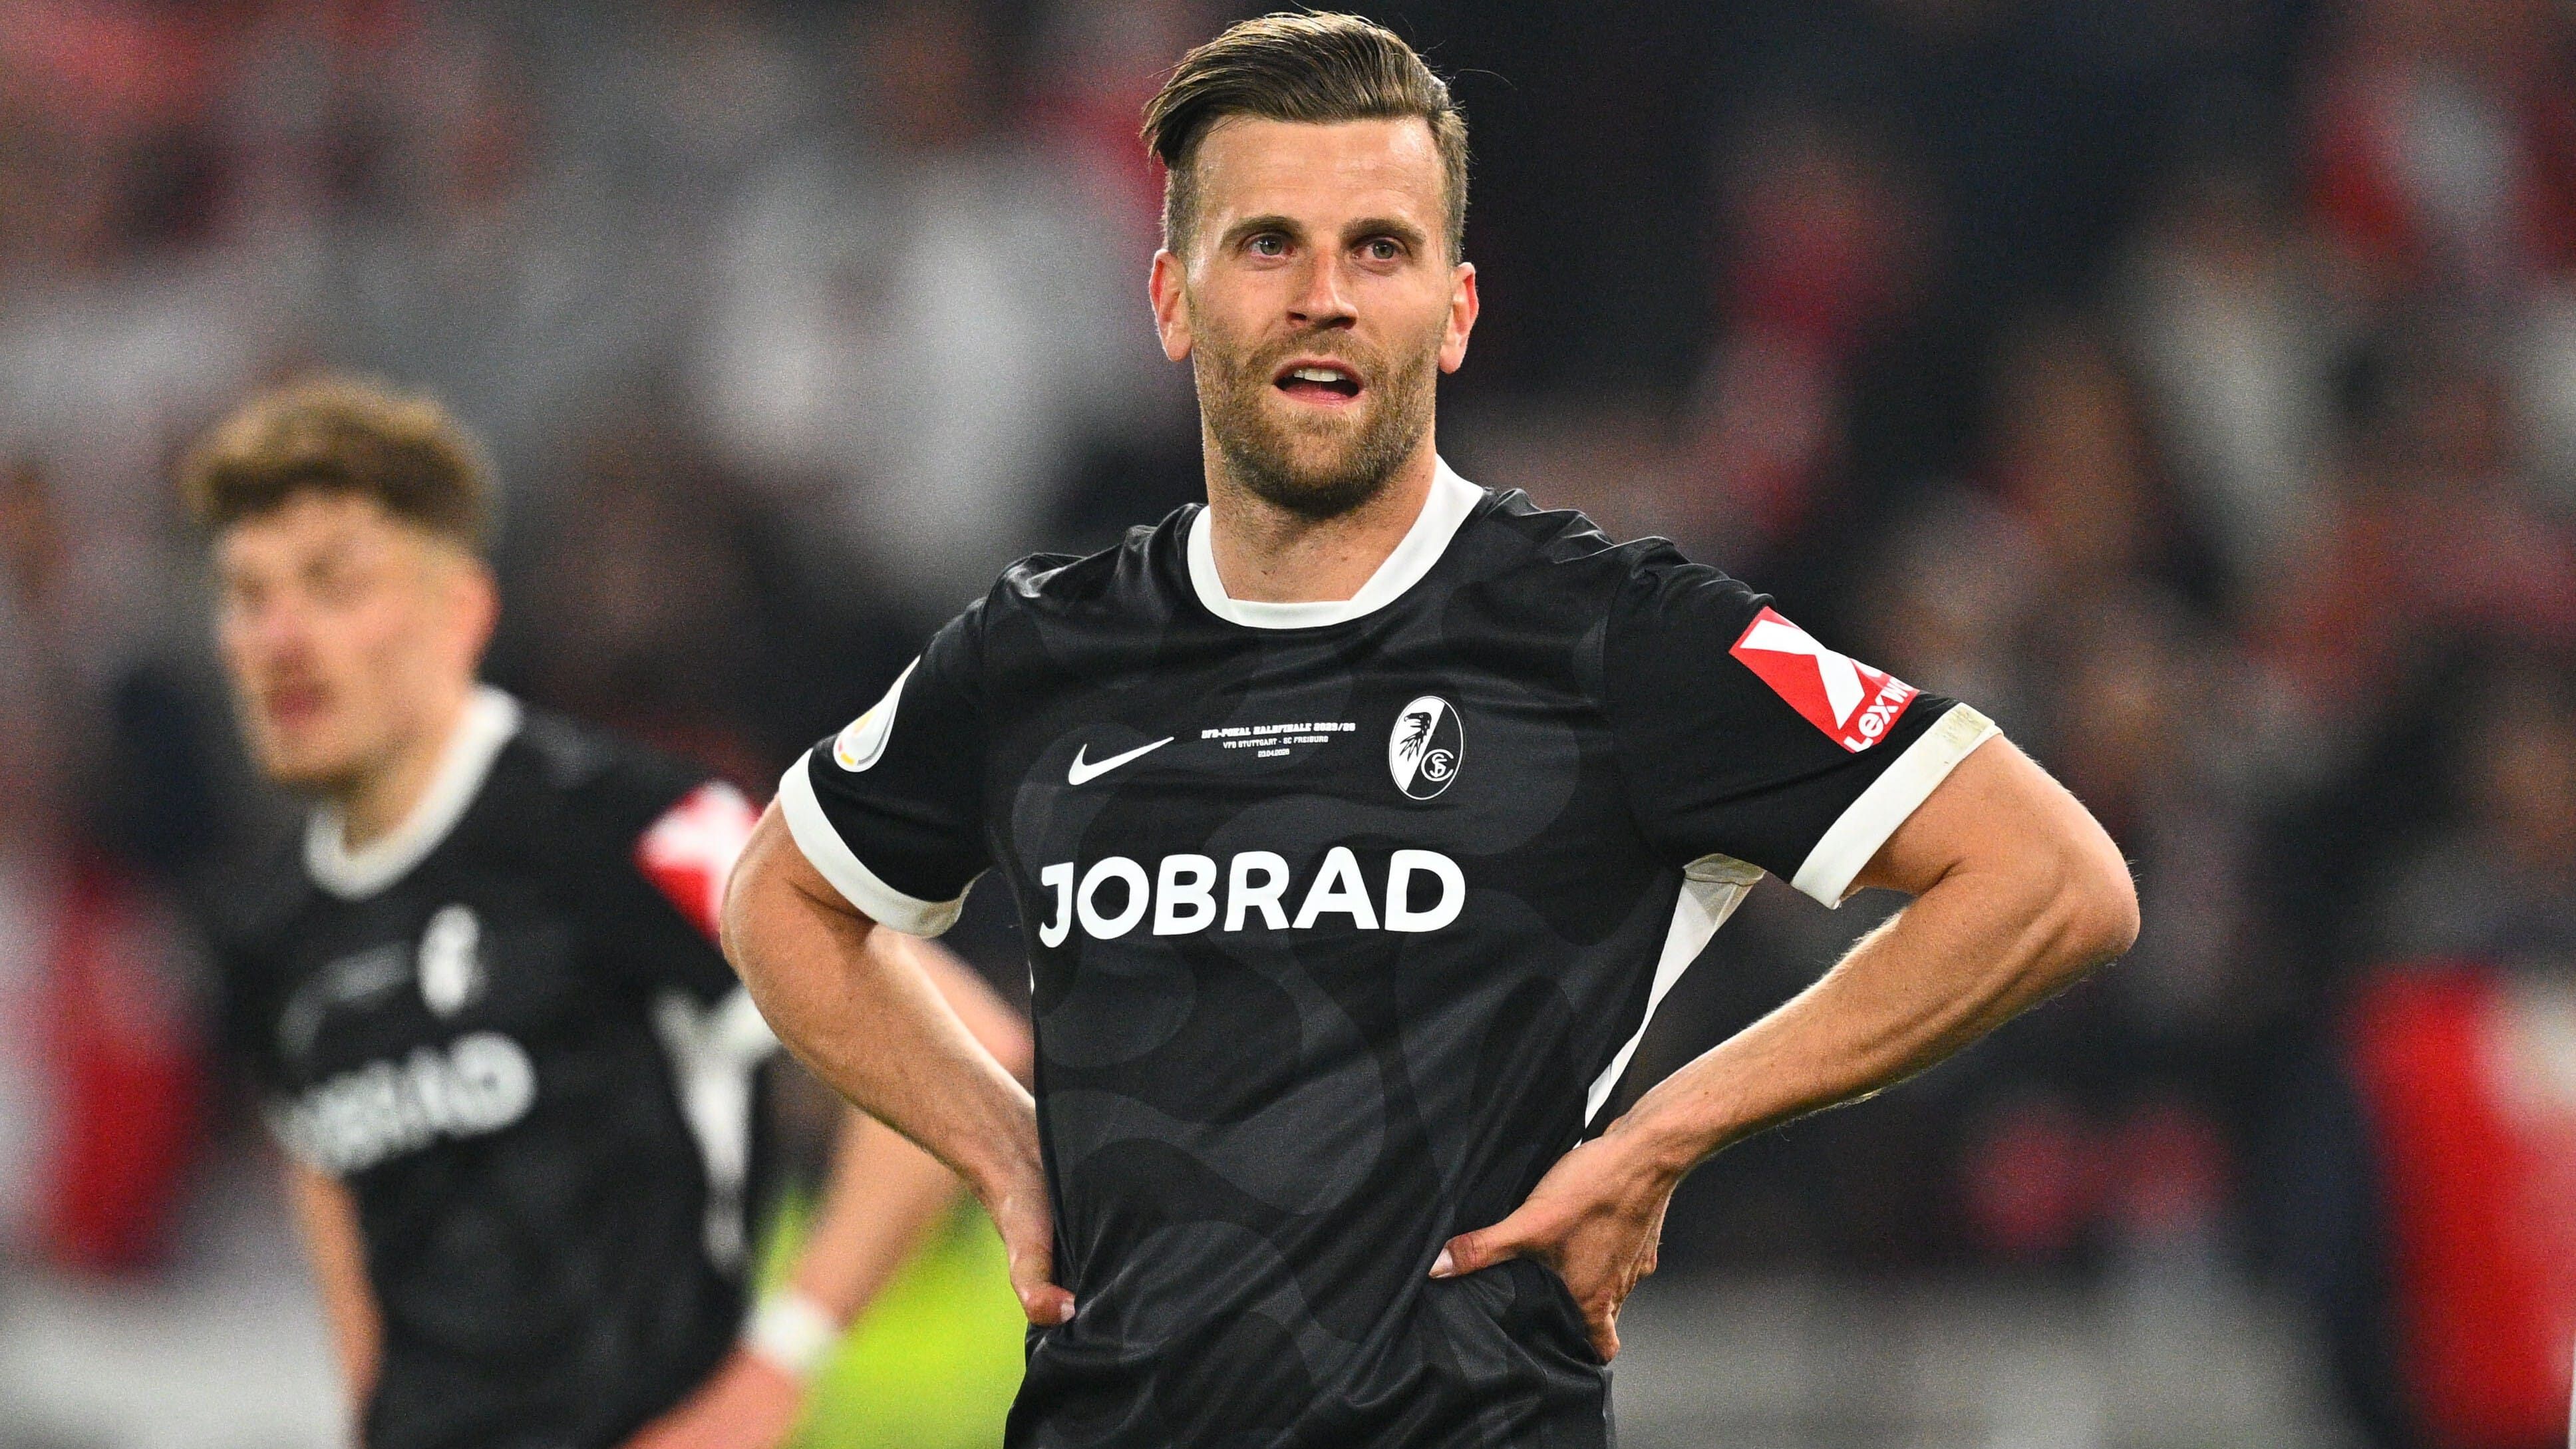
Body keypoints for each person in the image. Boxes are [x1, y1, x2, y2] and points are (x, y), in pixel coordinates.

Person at [723, 14, 2139, 1448]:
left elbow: (2048, 879)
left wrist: (1665, 1137)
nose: (1323, 297)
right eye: (1267, 243)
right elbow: (781, 894)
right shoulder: (1043, 649)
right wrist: (1000, 1145)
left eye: (1379, 249)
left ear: (1457, 309)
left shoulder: (1612, 636)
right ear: (1168, 297)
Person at [185, 377, 1032, 1449]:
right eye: (247, 595)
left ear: (461, 612)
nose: (280, 638)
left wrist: (769, 1376)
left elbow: (968, 1041)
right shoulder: (268, 923)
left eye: (333, 585)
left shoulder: (624, 822)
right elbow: (327, 1171)